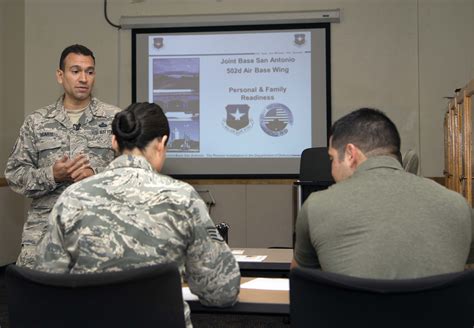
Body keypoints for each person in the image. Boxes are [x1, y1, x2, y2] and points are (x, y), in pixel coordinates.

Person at [34, 102, 240, 327]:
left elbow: (47, 283)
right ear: (161, 143)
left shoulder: (72, 197)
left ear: (114, 142)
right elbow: (222, 290)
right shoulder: (183, 198)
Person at [293, 107, 473, 279]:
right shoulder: (458, 205)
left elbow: (301, 282)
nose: (331, 169)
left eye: (332, 158)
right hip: (439, 311)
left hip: (351, 311)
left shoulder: (317, 206)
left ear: (350, 154)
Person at [4, 44, 121, 267]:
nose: (83, 78)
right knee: (39, 300)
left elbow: (131, 172)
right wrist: (52, 175)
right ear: (60, 75)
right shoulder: (37, 122)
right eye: (75, 71)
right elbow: (14, 175)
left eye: (90, 71)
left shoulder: (115, 119)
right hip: (44, 235)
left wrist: (94, 175)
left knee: (98, 301)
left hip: (99, 233)